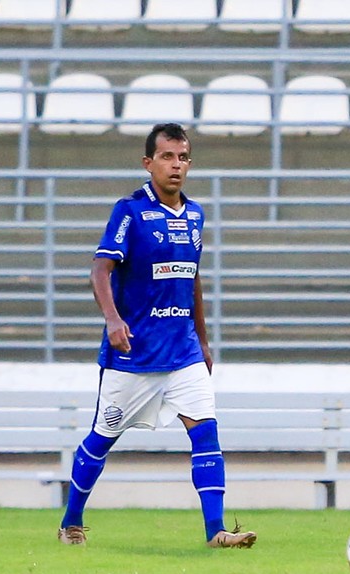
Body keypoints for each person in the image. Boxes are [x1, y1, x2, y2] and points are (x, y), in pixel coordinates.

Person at [58, 123, 256, 549]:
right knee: (101, 438)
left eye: (183, 157)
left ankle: (215, 531)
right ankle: (71, 520)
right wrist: (112, 319)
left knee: (206, 432)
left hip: (182, 350)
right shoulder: (129, 211)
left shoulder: (196, 214)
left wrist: (202, 340)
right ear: (148, 163)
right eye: (167, 157)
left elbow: (193, 278)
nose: (176, 165)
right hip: (134, 354)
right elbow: (100, 269)